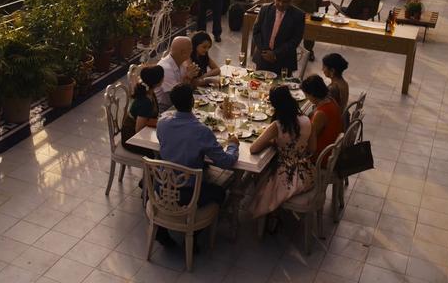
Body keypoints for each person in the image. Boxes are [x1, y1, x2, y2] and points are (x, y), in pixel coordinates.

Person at [154, 83, 239, 247]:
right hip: (188, 193)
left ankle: (163, 229)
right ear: (192, 102)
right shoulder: (201, 131)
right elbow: (226, 162)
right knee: (220, 192)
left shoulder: (162, 123)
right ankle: (193, 234)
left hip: (161, 186)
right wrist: (233, 145)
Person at [241, 86, 315, 219]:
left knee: (261, 175)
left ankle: (271, 217)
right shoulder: (307, 120)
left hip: (287, 177)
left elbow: (254, 148)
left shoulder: (278, 125)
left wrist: (272, 142)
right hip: (307, 172)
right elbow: (312, 149)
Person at [251, 0, 305, 74]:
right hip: (263, 59)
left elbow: (295, 40)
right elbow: (256, 31)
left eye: (285, 2)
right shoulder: (265, 9)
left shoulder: (298, 16)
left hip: (284, 61)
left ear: (290, 1)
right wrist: (265, 52)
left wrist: (275, 54)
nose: (280, 4)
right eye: (278, 0)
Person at [121, 65, 164, 156]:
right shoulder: (145, 101)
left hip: (140, 133)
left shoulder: (150, 93)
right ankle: (153, 169)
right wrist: (158, 122)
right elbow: (139, 128)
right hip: (132, 139)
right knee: (163, 149)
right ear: (158, 81)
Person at [300, 75, 342, 162]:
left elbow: (309, 139)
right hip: (330, 149)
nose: (307, 98)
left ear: (311, 94)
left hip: (320, 157)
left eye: (306, 95)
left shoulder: (321, 114)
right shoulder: (331, 100)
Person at [156, 36, 200, 110]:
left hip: (177, 105)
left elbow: (190, 87)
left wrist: (193, 76)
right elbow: (178, 95)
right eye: (191, 50)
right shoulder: (165, 68)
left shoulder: (181, 62)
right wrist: (188, 77)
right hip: (164, 110)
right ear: (183, 53)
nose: (192, 51)